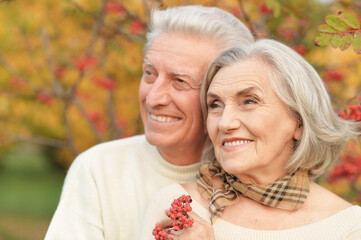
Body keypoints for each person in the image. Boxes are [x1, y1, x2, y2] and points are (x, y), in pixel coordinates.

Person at [45, 5, 254, 240]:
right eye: (149, 73)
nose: (153, 98)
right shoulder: (98, 170)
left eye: (180, 81)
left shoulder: (260, 179)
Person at [142, 39, 361, 240]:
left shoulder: (349, 228)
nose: (225, 123)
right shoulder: (179, 207)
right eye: (215, 105)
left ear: (300, 122)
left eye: (249, 101)